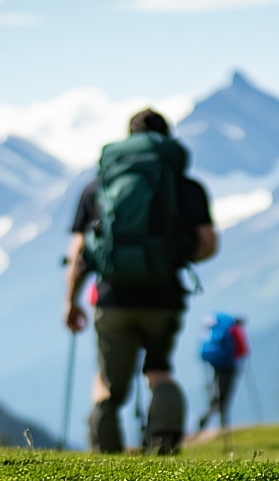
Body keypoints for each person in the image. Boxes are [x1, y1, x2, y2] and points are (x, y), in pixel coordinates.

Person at [64, 108, 218, 455]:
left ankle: (107, 457)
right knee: (160, 370)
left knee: (107, 383)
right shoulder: (185, 186)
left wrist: (70, 302)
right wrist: (173, 255)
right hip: (164, 296)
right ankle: (162, 448)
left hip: (111, 297)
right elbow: (208, 243)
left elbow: (78, 255)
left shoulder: (97, 187)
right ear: (167, 139)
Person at [197, 312, 249, 432]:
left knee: (217, 389)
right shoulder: (234, 330)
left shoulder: (217, 328)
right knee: (225, 393)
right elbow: (242, 350)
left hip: (215, 364)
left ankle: (209, 416)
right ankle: (223, 421)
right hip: (229, 365)